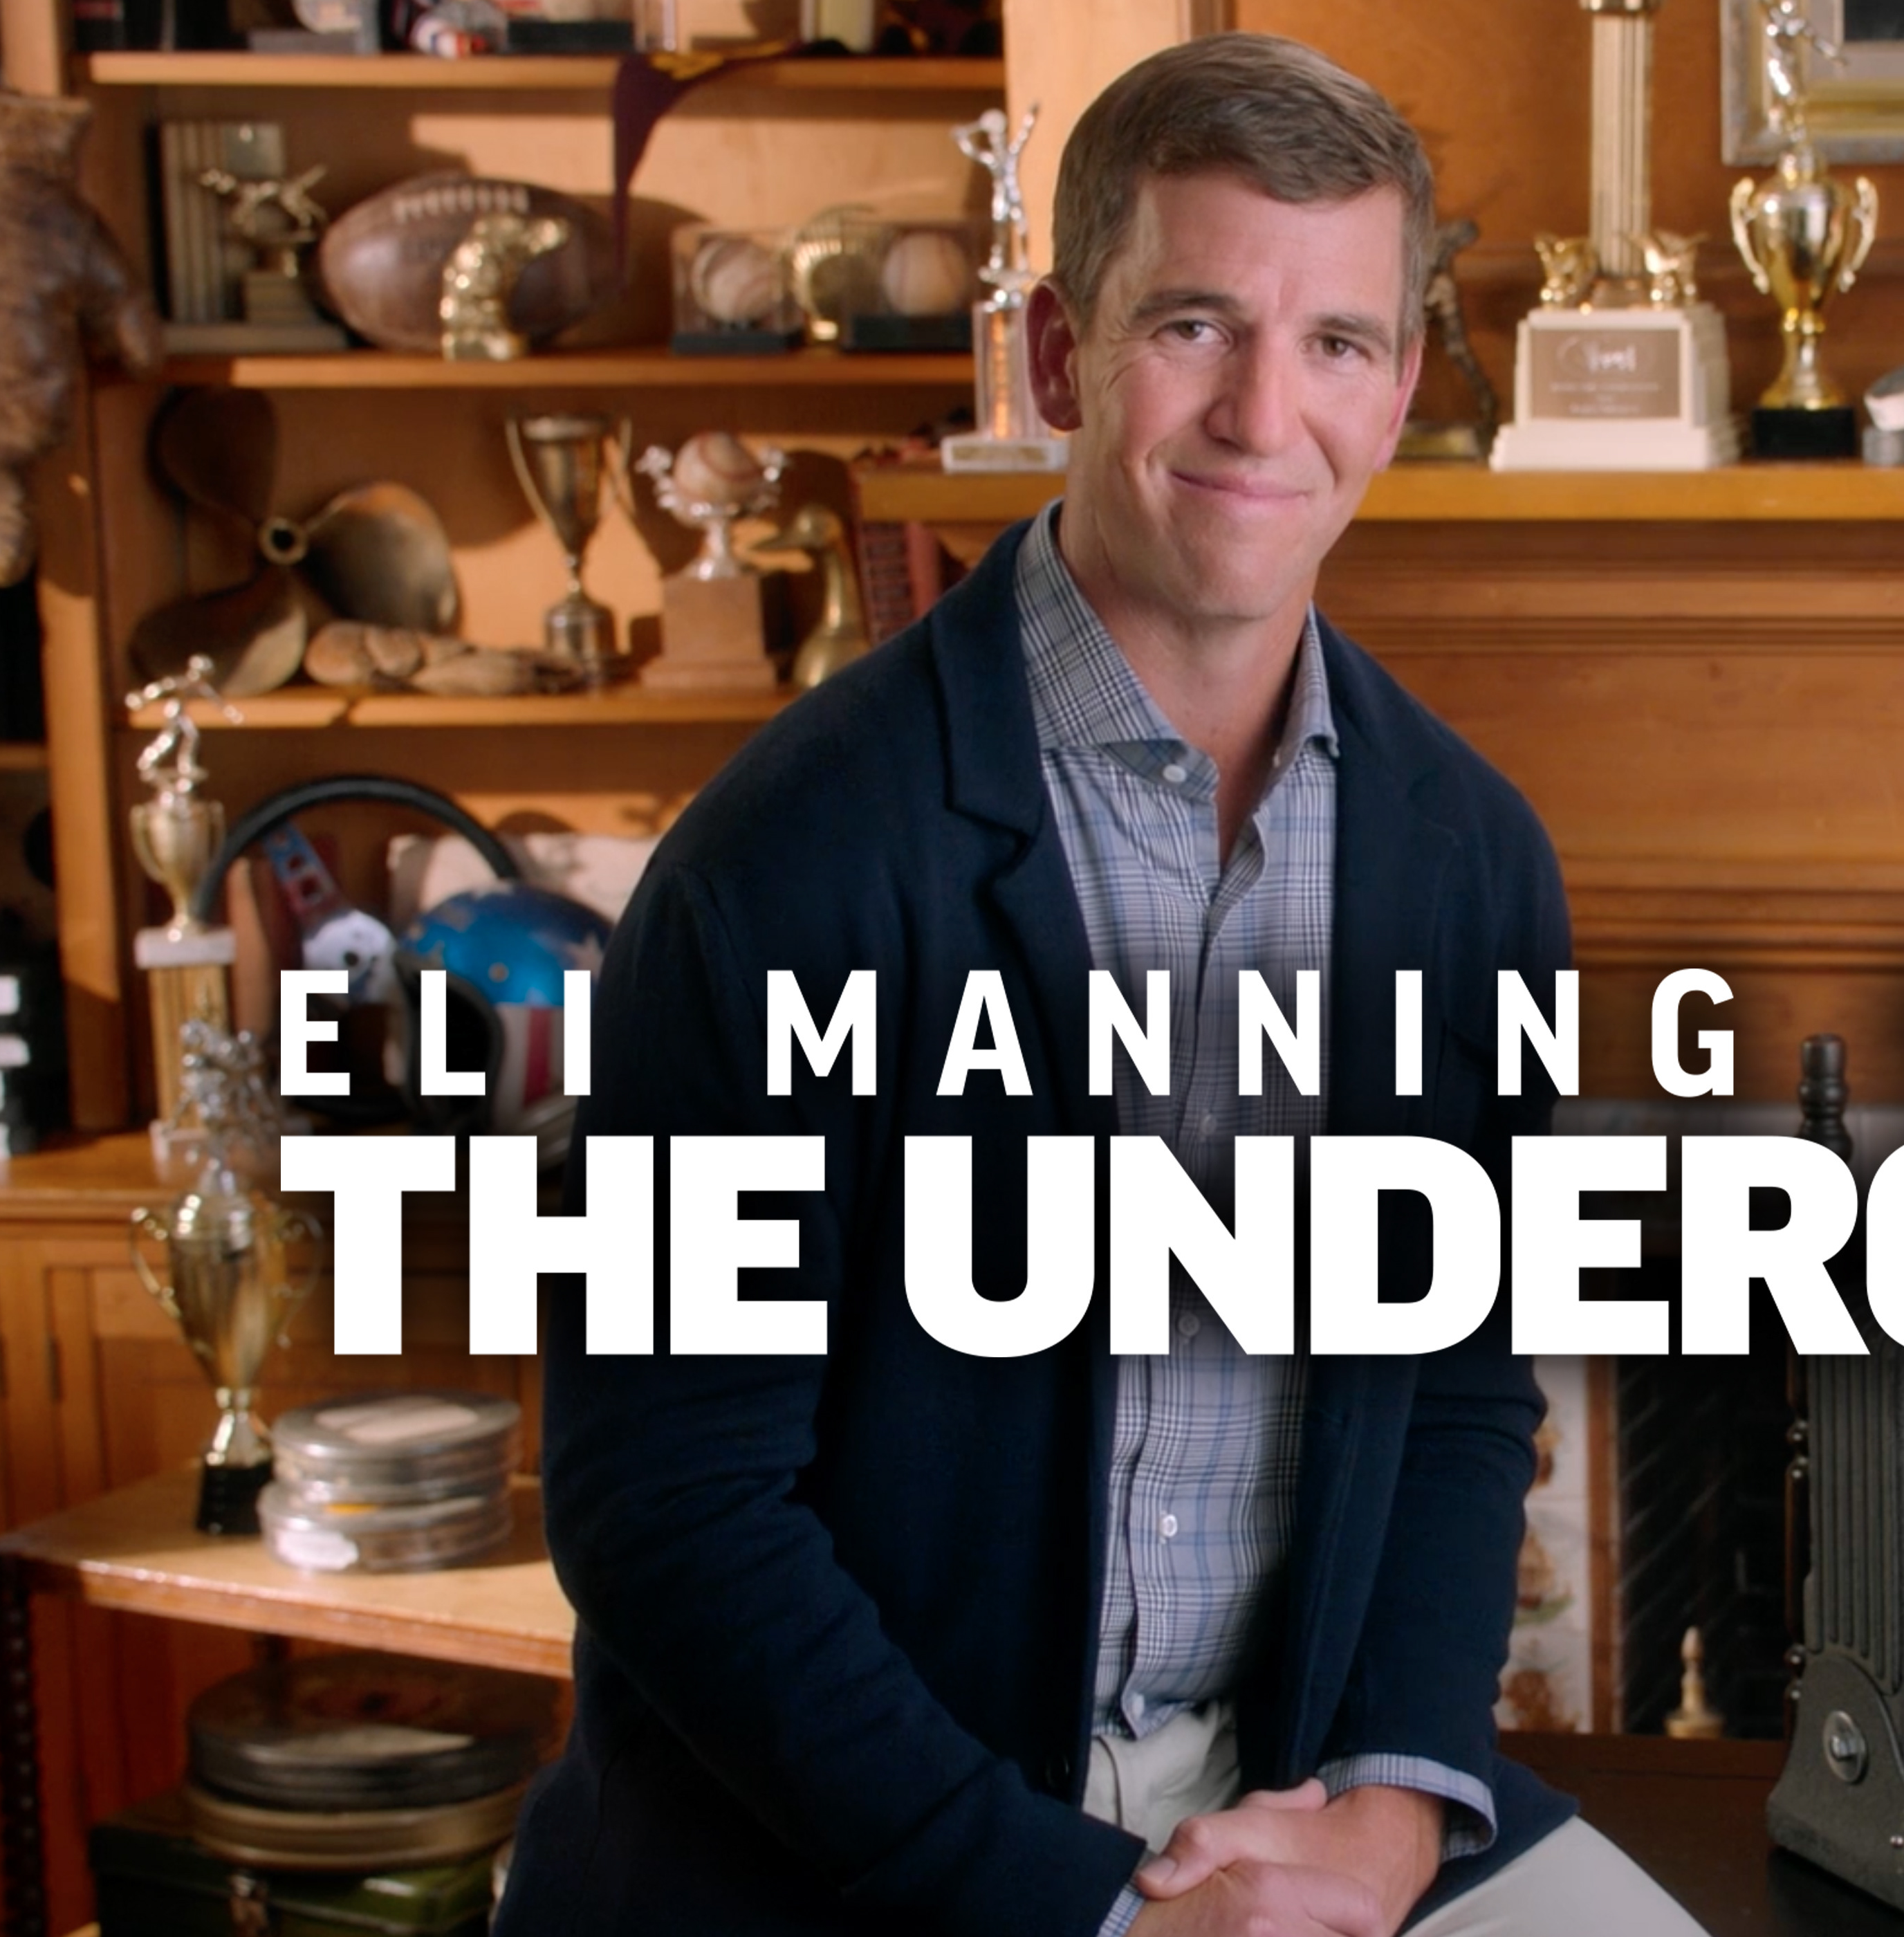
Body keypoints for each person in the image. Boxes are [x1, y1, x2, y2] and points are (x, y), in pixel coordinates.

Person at [497, 36, 1705, 1937]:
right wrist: (1102, 1915)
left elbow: (1462, 1396)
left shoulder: (1468, 860)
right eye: (1194, 324)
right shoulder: (782, 864)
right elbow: (670, 1511)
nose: (1260, 413)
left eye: (1334, 344)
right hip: (854, 1845)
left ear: (1399, 389)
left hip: (1289, 1794)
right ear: (1062, 356)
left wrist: (1396, 1809)